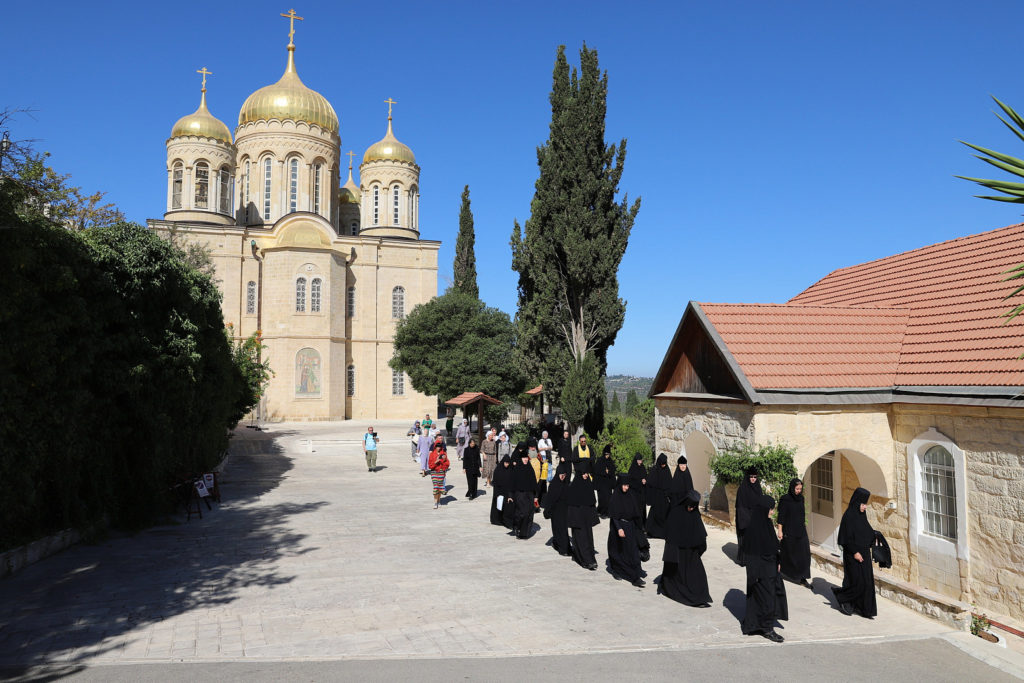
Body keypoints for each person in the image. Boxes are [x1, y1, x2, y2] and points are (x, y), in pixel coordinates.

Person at [741, 493, 788, 642]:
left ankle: (757, 624)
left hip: (771, 569)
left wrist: (778, 561)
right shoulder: (753, 529)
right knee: (765, 599)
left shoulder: (766, 524)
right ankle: (767, 629)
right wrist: (754, 574)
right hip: (760, 572)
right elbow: (750, 553)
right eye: (770, 509)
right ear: (763, 509)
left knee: (769, 598)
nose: (772, 512)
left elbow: (773, 546)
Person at [660, 489, 712, 608]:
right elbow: (670, 533)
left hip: (691, 551)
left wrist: (701, 545)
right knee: (676, 575)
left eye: (694, 507)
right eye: (689, 506)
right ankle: (677, 593)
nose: (691, 509)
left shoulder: (694, 514)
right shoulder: (676, 512)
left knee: (697, 575)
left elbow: (700, 532)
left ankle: (700, 598)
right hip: (677, 551)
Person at [832, 487, 877, 618]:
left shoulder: (862, 516)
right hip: (853, 554)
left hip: (864, 553)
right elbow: (845, 538)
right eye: (863, 504)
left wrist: (875, 537)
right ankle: (843, 598)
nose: (865, 507)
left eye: (865, 504)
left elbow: (866, 531)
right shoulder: (849, 516)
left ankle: (864, 609)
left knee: (867, 582)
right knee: (857, 582)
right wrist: (855, 552)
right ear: (857, 502)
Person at [608, 474, 645, 587]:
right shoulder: (616, 496)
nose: (626, 488)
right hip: (619, 528)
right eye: (624, 485)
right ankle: (617, 571)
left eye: (627, 485)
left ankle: (635, 577)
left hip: (630, 527)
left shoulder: (630, 495)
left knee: (632, 551)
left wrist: (640, 528)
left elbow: (636, 513)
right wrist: (619, 528)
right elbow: (614, 515)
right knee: (618, 551)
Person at [777, 478, 811, 586]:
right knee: (788, 554)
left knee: (805, 555)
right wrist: (780, 531)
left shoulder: (801, 498)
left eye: (800, 489)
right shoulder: (785, 500)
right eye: (797, 489)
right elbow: (781, 517)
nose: (798, 491)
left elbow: (802, 515)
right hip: (789, 532)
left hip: (801, 531)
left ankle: (803, 577)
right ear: (792, 488)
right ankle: (782, 571)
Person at [566, 460, 600, 570]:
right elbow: (571, 506)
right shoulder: (573, 486)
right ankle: (586, 561)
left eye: (587, 473)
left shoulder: (588, 484)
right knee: (581, 540)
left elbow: (592, 502)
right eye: (585, 473)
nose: (586, 475)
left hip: (587, 519)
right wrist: (574, 520)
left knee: (589, 540)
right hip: (578, 519)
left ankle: (590, 559)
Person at [735, 467, 763, 567]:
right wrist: (746, 521)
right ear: (748, 477)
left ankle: (753, 559)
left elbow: (761, 504)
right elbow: (740, 506)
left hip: (755, 519)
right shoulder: (742, 489)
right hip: (745, 520)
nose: (753, 479)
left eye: (755, 477)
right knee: (745, 540)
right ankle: (744, 560)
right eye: (751, 477)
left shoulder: (758, 488)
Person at [543, 460, 572, 556]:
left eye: (564, 474)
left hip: (564, 510)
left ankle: (563, 547)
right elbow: (549, 499)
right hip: (555, 512)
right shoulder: (553, 485)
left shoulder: (566, 484)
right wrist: (547, 511)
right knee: (558, 529)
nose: (563, 476)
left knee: (563, 529)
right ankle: (562, 548)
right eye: (561, 474)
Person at [510, 445, 538, 539]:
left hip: (529, 495)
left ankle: (525, 533)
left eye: (526, 458)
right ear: (521, 459)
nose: (525, 459)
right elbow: (512, 483)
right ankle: (517, 528)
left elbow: (534, 482)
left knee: (529, 513)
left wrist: (536, 495)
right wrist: (510, 495)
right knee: (521, 513)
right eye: (523, 458)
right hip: (519, 495)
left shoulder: (530, 469)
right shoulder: (516, 469)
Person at [645, 453, 672, 539]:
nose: (663, 465)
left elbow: (669, 483)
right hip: (656, 497)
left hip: (664, 497)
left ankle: (664, 533)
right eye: (662, 463)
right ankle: (651, 533)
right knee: (654, 514)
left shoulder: (667, 470)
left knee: (665, 515)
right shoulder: (655, 470)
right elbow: (650, 484)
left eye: (665, 463)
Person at [627, 453, 650, 535]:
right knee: (637, 510)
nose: (640, 462)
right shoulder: (632, 469)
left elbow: (646, 476)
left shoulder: (643, 467)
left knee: (643, 510)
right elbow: (631, 481)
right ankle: (637, 526)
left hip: (642, 493)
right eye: (639, 460)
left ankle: (643, 525)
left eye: (641, 460)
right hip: (635, 494)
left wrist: (645, 480)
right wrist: (640, 481)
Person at [490, 454, 513, 527]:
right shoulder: (498, 469)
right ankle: (497, 520)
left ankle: (505, 520)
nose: (507, 464)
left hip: (507, 491)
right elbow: (495, 482)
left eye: (508, 463)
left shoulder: (511, 469)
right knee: (498, 506)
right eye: (506, 463)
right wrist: (497, 494)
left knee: (506, 507)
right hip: (499, 491)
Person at [594, 444, 616, 517]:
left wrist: (608, 472)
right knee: (602, 499)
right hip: (601, 484)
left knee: (609, 499)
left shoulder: (610, 461)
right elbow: (596, 471)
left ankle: (607, 512)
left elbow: (613, 472)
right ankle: (602, 512)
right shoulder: (600, 461)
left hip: (608, 484)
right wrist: (604, 471)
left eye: (608, 454)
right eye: (606, 454)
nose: (607, 456)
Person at [427, 438, 450, 509]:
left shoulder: (444, 454)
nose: (438, 448)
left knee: (440, 487)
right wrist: (435, 462)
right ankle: (435, 502)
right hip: (434, 472)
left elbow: (447, 464)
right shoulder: (431, 454)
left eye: (440, 446)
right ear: (435, 446)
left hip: (441, 472)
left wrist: (443, 461)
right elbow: (430, 465)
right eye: (437, 446)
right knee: (435, 486)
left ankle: (439, 501)